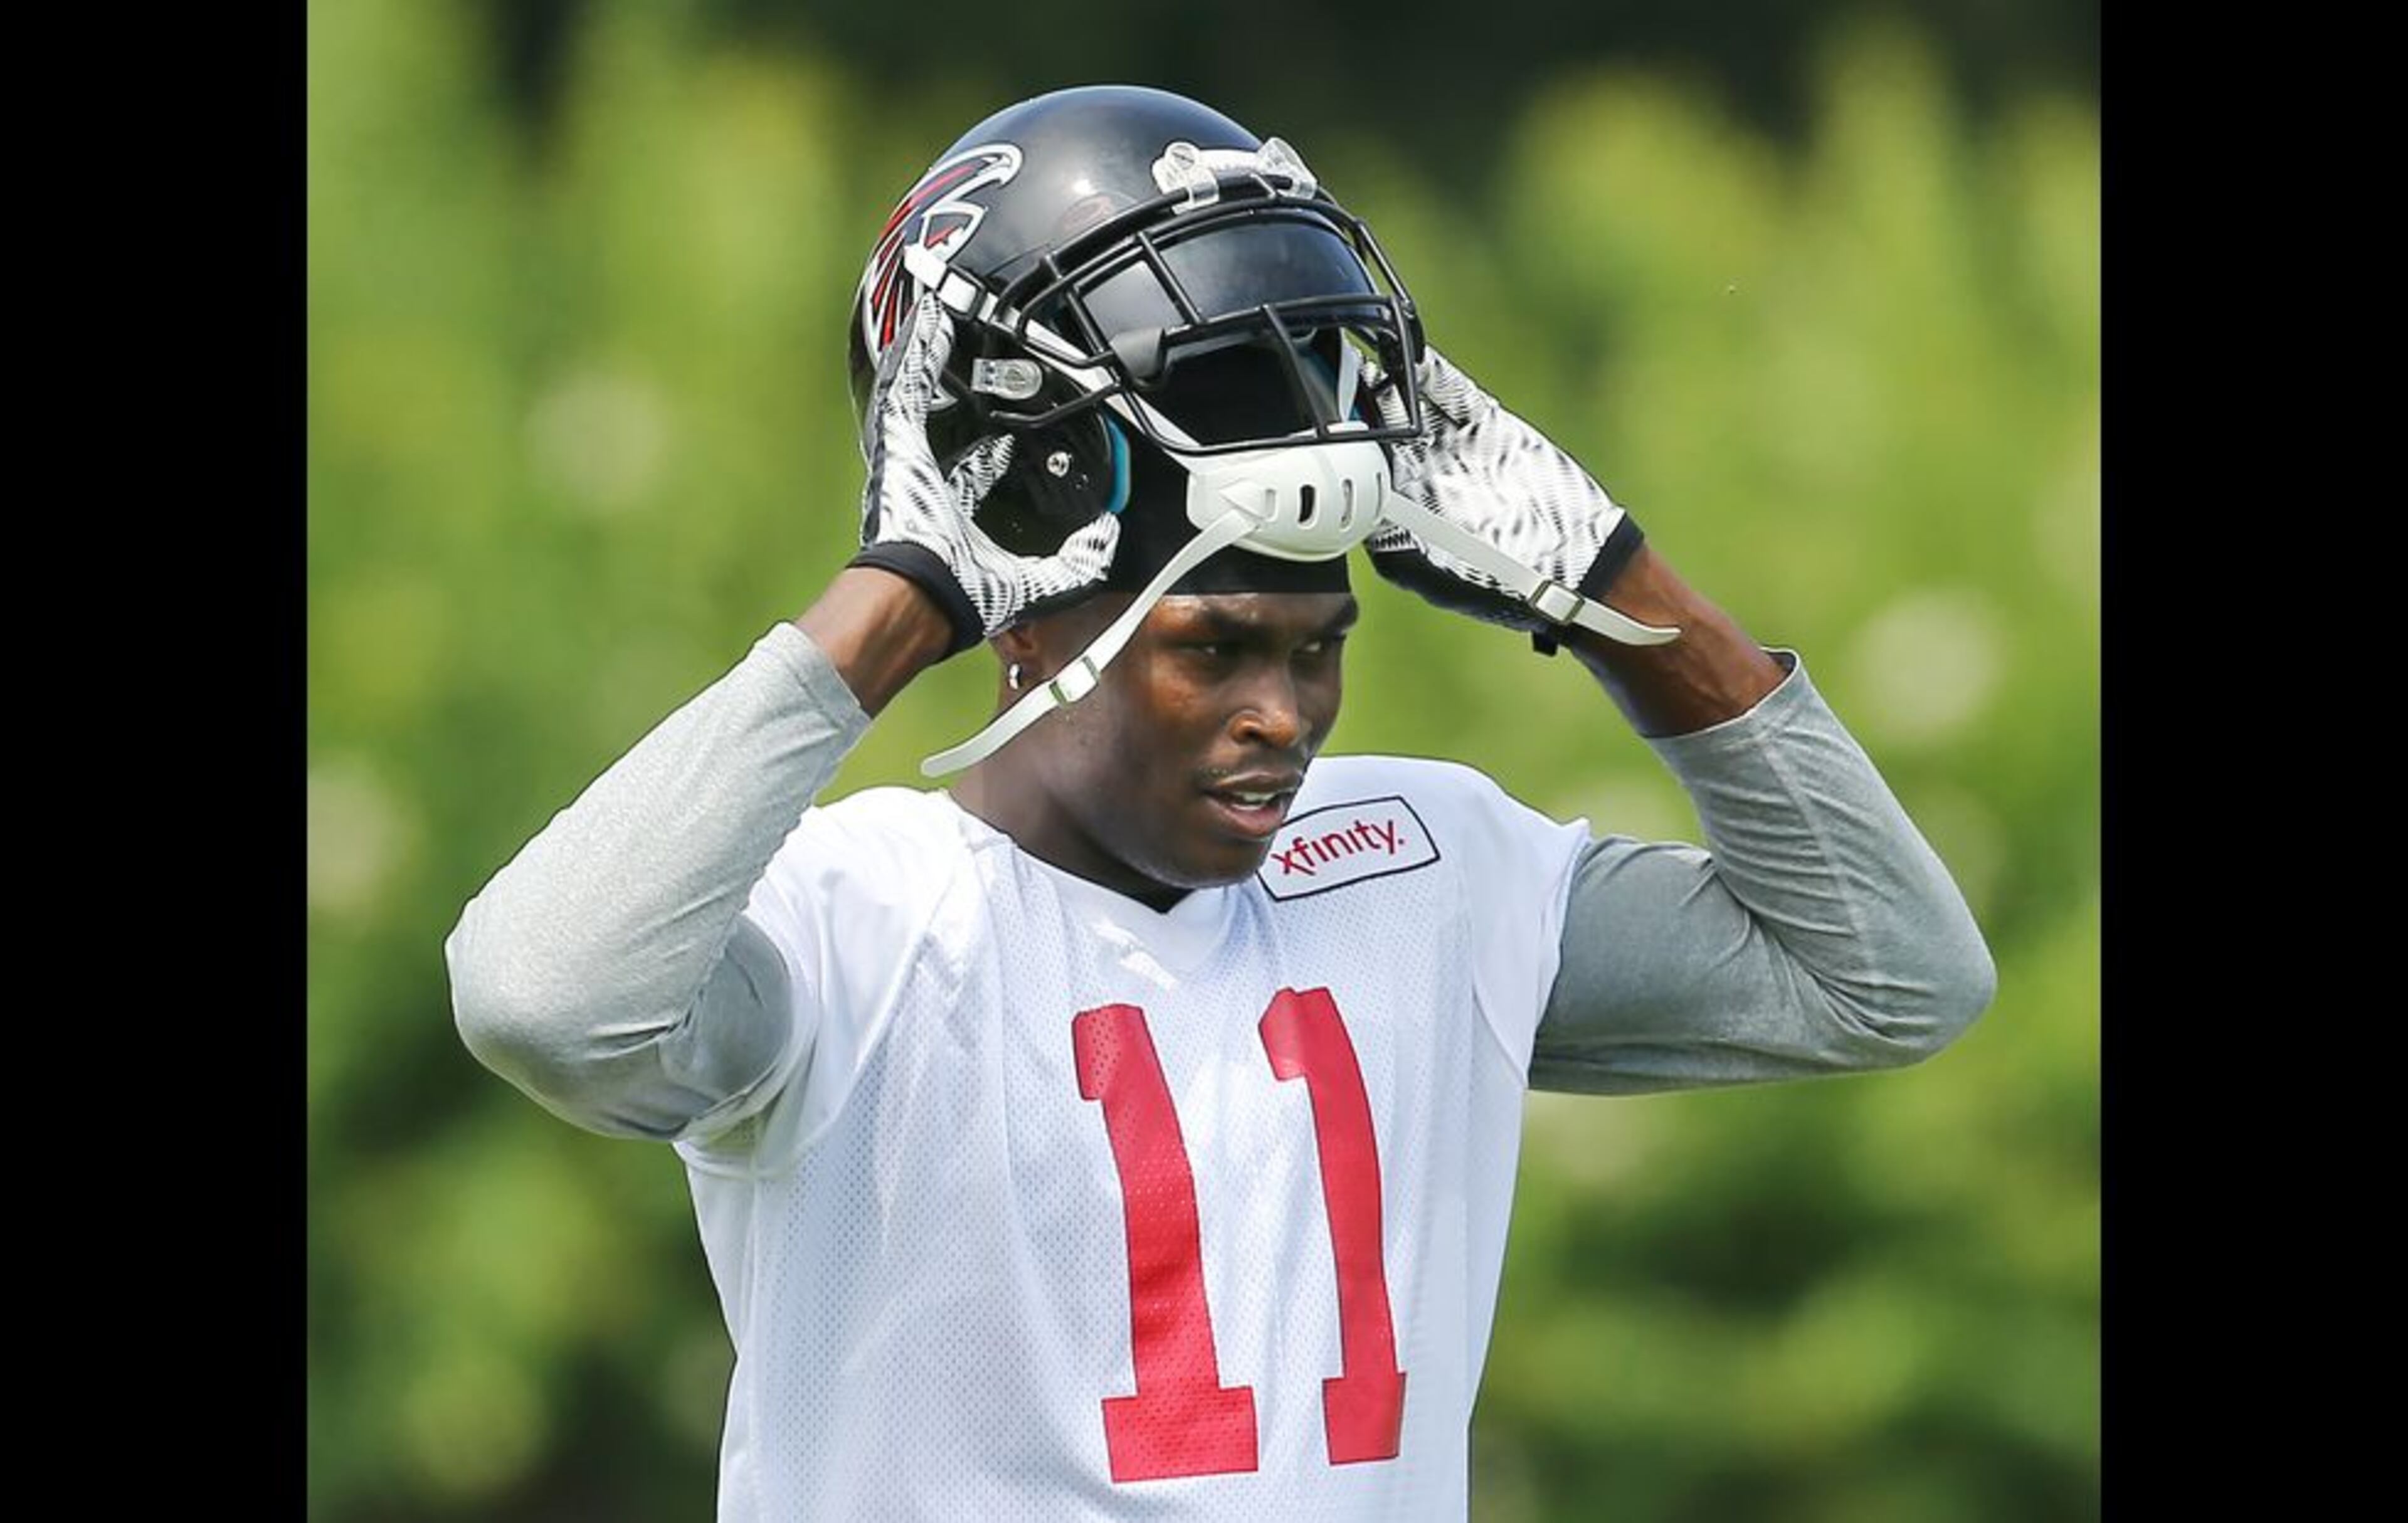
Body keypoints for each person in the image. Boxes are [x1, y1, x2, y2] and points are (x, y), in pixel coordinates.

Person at [446, 83, 1995, 1522]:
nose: (1286, 714)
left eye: (1320, 650)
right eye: (1215, 647)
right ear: (1025, 615)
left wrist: (1617, 590)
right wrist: (897, 588)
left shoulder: (1428, 868)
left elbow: (1891, 977)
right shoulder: (850, 926)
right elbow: (540, 997)